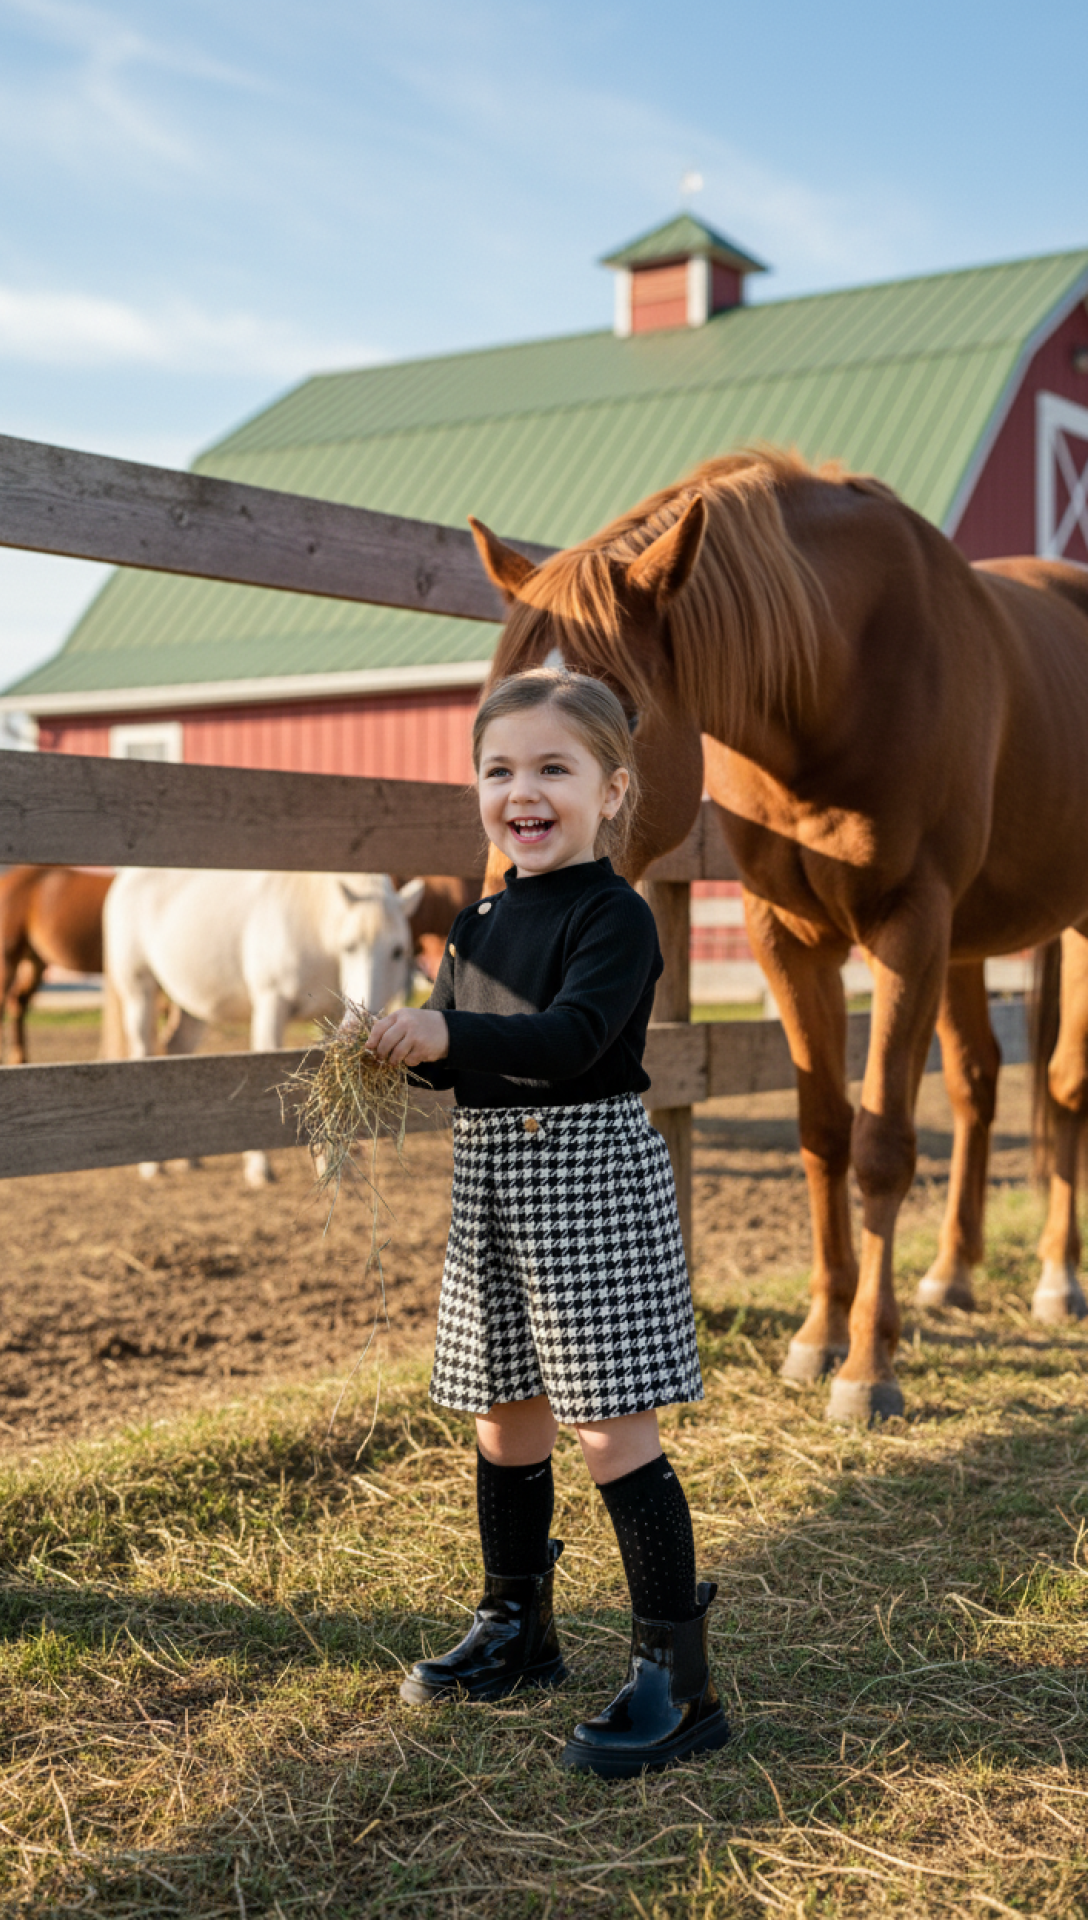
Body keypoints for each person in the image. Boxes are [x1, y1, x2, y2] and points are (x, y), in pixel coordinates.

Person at [366, 666, 728, 1779]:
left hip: (584, 1184)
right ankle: (516, 1626)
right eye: (499, 770)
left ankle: (677, 1678)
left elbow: (570, 1041)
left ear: (612, 790)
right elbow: (458, 1058)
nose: (521, 792)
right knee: (501, 1409)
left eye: (552, 770)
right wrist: (399, 1050)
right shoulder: (475, 919)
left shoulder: (612, 915)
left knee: (608, 1423)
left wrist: (450, 1043)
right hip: (492, 1186)